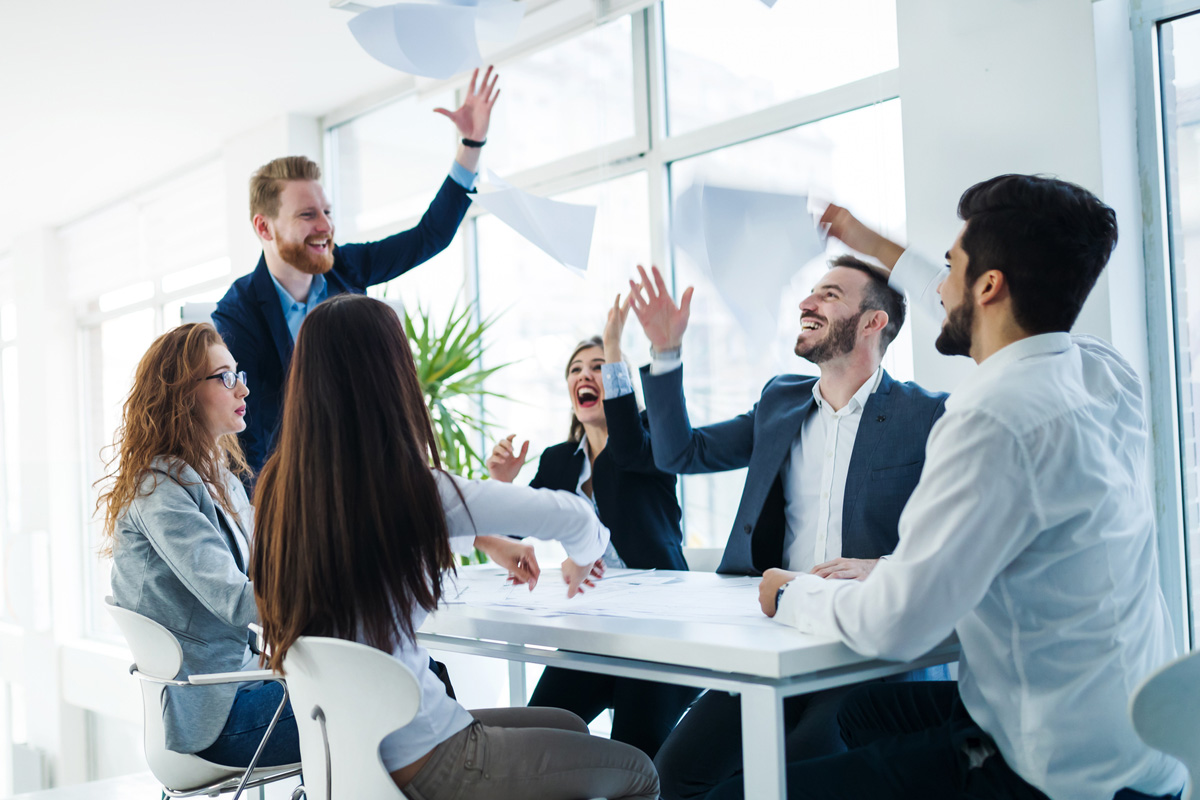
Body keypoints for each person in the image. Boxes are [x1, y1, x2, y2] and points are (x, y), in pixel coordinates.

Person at [712, 174, 1188, 800]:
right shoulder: (1100, 371)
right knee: (854, 720)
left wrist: (791, 592)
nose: (937, 286)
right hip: (1143, 741)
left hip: (1053, 771)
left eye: (950, 267)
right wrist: (859, 235)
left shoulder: (988, 418)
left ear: (989, 287)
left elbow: (895, 628)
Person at [250, 293, 660, 800]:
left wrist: (488, 542)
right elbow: (573, 515)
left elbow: (393, 538)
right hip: (431, 759)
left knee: (568, 723)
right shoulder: (408, 487)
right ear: (389, 377)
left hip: (349, 755)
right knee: (640, 771)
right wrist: (583, 558)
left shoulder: (278, 494)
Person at [625, 258, 949, 799]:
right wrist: (665, 354)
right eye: (809, 294)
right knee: (673, 774)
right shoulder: (781, 400)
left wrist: (884, 567)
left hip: (863, 648)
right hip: (778, 633)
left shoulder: (928, 415)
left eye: (829, 294)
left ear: (873, 322)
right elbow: (681, 451)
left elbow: (961, 539)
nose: (806, 304)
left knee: (796, 773)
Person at [214, 67, 500, 474]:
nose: (326, 227)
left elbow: (429, 236)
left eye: (327, 212)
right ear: (264, 227)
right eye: (308, 215)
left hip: (369, 469)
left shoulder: (347, 268)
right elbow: (247, 434)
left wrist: (471, 145)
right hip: (296, 489)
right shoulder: (238, 313)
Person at [485, 296, 698, 758]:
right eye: (575, 369)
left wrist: (618, 343)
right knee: (530, 742)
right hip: (594, 631)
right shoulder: (560, 461)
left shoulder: (651, 443)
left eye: (599, 366)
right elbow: (510, 539)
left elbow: (625, 448)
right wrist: (501, 485)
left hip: (658, 632)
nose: (584, 375)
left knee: (636, 758)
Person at [100, 322, 299, 767]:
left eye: (239, 375)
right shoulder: (159, 490)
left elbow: (261, 579)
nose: (242, 390)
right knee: (405, 695)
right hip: (213, 718)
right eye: (226, 377)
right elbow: (235, 599)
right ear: (183, 392)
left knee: (407, 682)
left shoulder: (221, 480)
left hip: (241, 684)